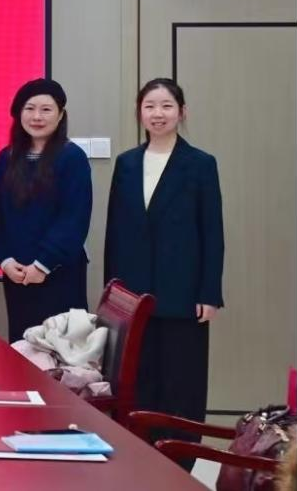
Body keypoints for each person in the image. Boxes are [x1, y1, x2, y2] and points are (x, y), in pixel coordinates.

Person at [104, 78, 224, 450]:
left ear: (182, 112)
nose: (158, 114)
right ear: (139, 112)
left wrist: (209, 293)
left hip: (183, 294)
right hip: (135, 295)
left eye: (167, 106)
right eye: (150, 106)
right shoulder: (127, 163)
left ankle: (181, 458)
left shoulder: (201, 164)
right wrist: (113, 293)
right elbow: (114, 231)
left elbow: (212, 232)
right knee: (138, 381)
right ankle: (140, 455)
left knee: (182, 383)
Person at [0, 78, 91, 342]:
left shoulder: (72, 157)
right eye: (30, 108)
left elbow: (73, 219)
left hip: (59, 273)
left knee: (61, 352)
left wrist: (42, 265)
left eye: (46, 109)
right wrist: (5, 260)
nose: (37, 117)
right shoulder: (7, 158)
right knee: (23, 347)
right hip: (17, 275)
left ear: (61, 115)